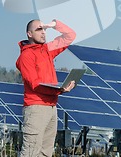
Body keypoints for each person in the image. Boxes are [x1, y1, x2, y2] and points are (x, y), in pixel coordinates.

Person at [16, 19, 76, 157]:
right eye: (39, 29)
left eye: (44, 29)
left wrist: (54, 25)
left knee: (45, 153)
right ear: (29, 34)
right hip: (35, 108)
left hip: (51, 107)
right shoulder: (26, 56)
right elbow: (35, 84)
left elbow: (70, 36)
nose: (43, 32)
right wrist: (59, 90)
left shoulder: (47, 50)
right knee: (30, 152)